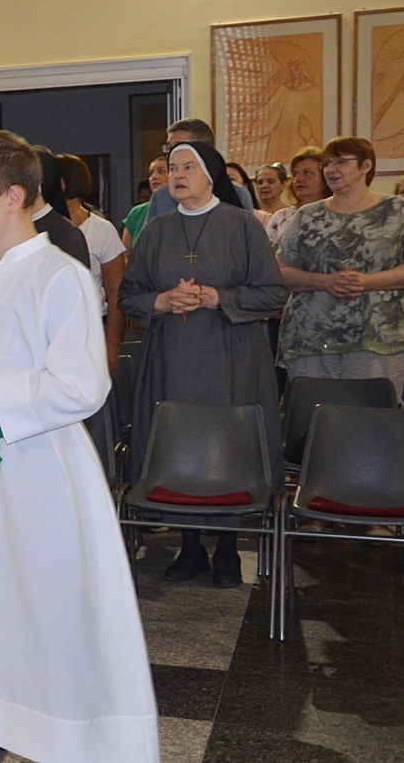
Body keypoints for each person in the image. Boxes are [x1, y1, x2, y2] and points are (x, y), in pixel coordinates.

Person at [0, 130, 158, 763]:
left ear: (15, 197)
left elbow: (83, 386)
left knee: (45, 604)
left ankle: (71, 735)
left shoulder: (60, 275)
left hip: (40, 468)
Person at [118, 141, 287, 586]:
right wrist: (161, 300)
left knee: (228, 446)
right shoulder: (153, 230)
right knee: (176, 443)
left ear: (210, 174)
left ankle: (228, 550)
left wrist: (218, 297)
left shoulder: (243, 226)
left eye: (187, 166)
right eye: (172, 167)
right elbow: (128, 296)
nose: (177, 174)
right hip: (170, 358)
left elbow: (273, 292)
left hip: (231, 356)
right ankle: (189, 547)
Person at [277, 137, 404, 397]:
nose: (331, 169)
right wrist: (324, 282)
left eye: (340, 162)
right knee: (313, 426)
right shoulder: (308, 215)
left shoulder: (397, 210)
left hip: (378, 341)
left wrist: (368, 282)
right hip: (311, 341)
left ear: (366, 166)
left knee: (371, 423)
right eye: (327, 163)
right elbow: (280, 270)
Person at [57, 154, 128, 369]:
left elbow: (116, 291)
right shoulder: (39, 226)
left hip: (92, 325)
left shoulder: (101, 229)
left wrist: (112, 343)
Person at [144, 118, 254, 222]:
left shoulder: (239, 194)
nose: (172, 153)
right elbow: (150, 239)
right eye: (169, 147)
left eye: (179, 146)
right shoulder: (161, 196)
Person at [268, 147, 331, 241]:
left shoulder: (336, 215)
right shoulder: (281, 217)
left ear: (325, 178)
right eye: (295, 174)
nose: (299, 179)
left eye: (307, 173)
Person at [121, 156, 168, 250]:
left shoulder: (184, 208)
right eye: (151, 173)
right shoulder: (137, 213)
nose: (154, 177)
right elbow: (126, 255)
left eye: (161, 171)